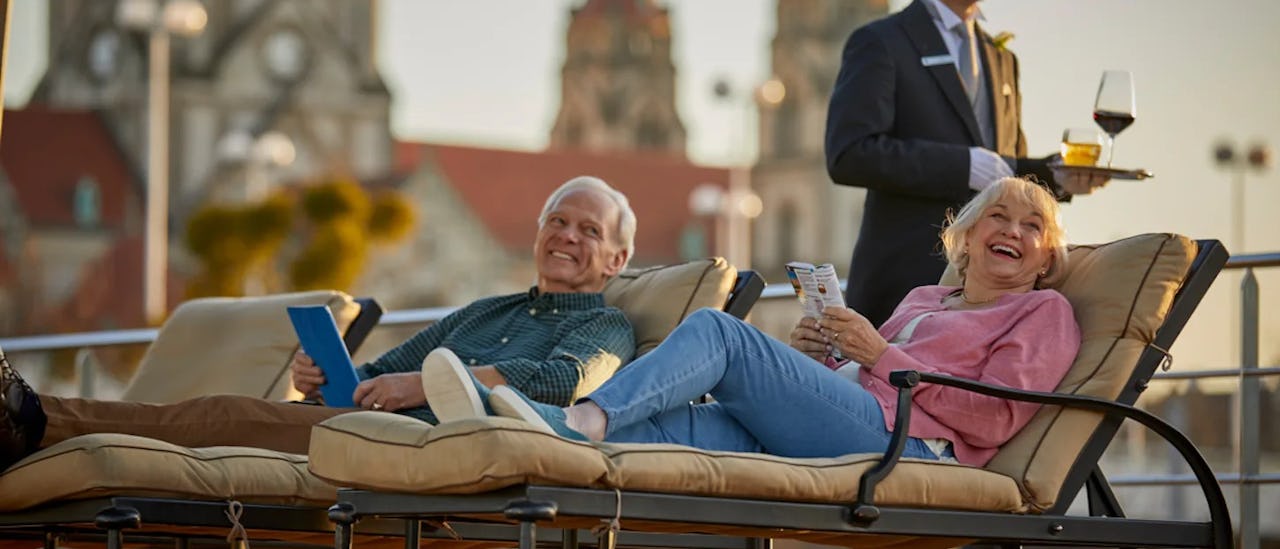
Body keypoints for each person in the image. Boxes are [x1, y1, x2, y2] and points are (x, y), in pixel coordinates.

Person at [422, 177, 1081, 468]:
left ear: (1047, 256)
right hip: (852, 418)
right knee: (657, 427)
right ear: (966, 236)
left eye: (1034, 228)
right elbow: (866, 373)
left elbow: (996, 416)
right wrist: (823, 352)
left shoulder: (1042, 311)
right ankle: (522, 432)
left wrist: (878, 353)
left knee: (722, 334)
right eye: (999, 217)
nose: (1014, 232)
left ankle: (576, 418)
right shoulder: (924, 299)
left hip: (908, 446)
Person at [0, 176, 638, 470]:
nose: (566, 237)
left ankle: (34, 417)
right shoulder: (482, 312)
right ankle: (33, 419)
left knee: (224, 415)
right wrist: (323, 375)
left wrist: (429, 385)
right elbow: (376, 374)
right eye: (557, 220)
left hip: (409, 446)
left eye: (588, 230)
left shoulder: (607, 328)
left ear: (617, 259)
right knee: (235, 413)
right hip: (358, 422)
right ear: (538, 233)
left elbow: (562, 381)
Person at [825, 0, 1110, 327]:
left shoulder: (1001, 57)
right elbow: (849, 153)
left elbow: (1003, 171)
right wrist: (961, 166)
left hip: (992, 298)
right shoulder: (881, 40)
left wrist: (1057, 177)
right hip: (906, 283)